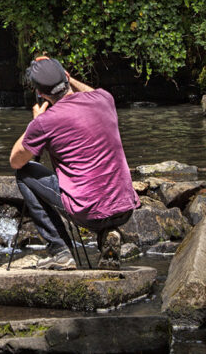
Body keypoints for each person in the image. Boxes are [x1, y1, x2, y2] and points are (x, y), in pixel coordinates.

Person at [9, 56, 139, 270]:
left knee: (25, 173)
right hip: (124, 209)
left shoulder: (44, 122)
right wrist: (68, 78)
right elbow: (91, 92)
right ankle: (108, 234)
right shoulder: (105, 99)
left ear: (40, 94)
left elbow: (15, 160)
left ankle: (60, 252)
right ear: (67, 78)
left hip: (88, 214)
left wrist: (34, 121)